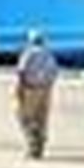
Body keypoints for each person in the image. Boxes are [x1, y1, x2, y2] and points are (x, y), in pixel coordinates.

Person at [15, 29, 58, 160]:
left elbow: (21, 72)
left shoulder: (28, 53)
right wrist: (47, 87)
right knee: (42, 119)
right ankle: (40, 148)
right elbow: (54, 73)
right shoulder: (49, 54)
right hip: (45, 89)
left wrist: (19, 89)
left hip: (30, 89)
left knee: (24, 117)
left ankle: (32, 147)